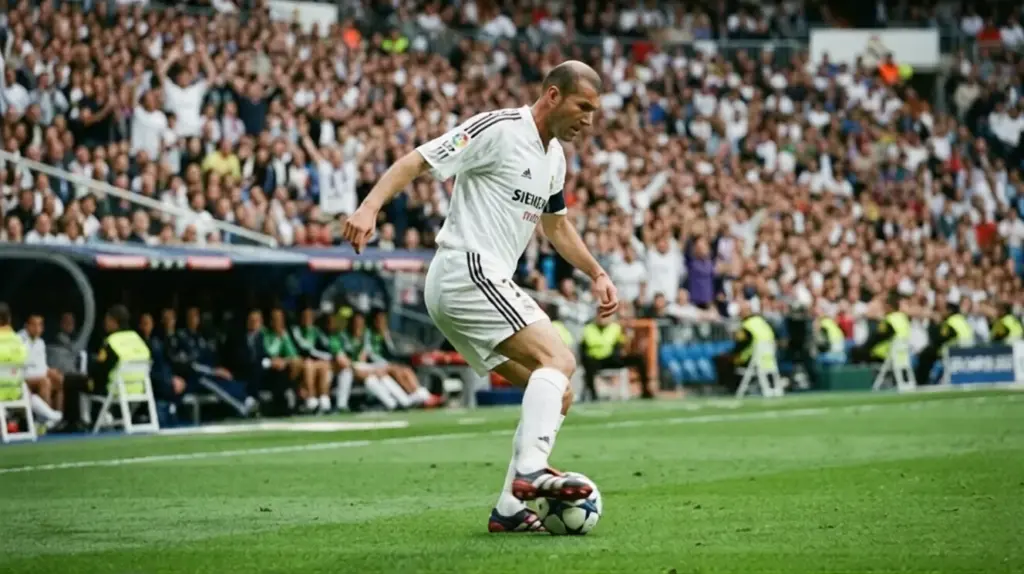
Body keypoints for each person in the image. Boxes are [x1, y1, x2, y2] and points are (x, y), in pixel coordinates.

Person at [342, 60, 619, 533]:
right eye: (583, 106)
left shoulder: (555, 160)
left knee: (559, 392)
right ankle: (531, 473)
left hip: (479, 282)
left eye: (594, 110)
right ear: (553, 95)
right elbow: (418, 160)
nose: (589, 120)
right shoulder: (500, 128)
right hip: (465, 268)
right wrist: (369, 206)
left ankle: (509, 511)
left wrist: (595, 271)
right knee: (559, 356)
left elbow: (556, 225)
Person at [579, 311, 651, 401]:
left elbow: (624, 344)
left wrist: (628, 333)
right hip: (595, 360)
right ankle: (594, 395)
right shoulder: (588, 329)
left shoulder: (615, 328)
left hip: (611, 359)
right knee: (588, 363)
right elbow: (583, 347)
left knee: (638, 358)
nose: (603, 319)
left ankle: (646, 390)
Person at [713, 302, 776, 393]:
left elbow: (740, 345)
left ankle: (729, 388)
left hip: (751, 359)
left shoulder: (746, 326)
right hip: (769, 359)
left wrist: (730, 354)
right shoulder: (762, 322)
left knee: (722, 360)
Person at [914, 300, 975, 385]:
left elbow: (940, 337)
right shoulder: (962, 320)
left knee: (925, 355)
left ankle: (921, 382)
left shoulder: (951, 321)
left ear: (949, 311)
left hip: (953, 351)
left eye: (943, 310)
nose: (941, 312)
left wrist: (937, 324)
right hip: (967, 351)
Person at [850, 293, 910, 365]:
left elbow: (877, 337)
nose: (883, 308)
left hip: (885, 356)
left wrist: (864, 347)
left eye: (884, 305)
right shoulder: (903, 318)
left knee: (855, 351)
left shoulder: (889, 320)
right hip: (902, 356)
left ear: (889, 306)